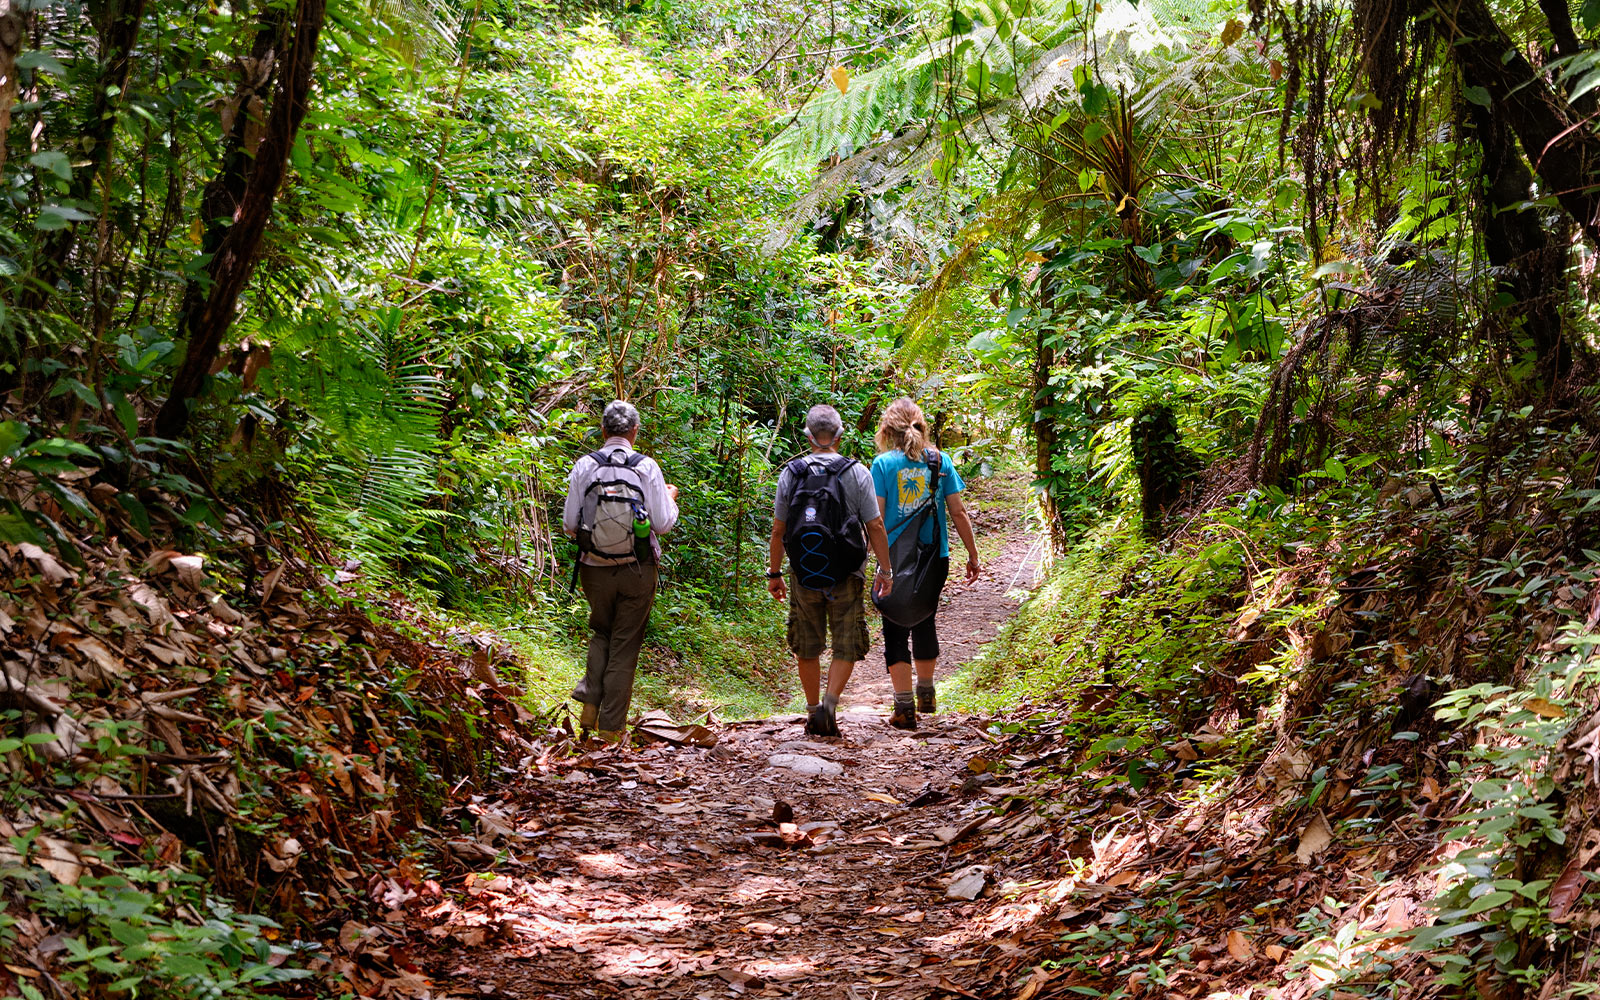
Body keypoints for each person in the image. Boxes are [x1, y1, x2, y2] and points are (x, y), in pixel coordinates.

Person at [767, 404, 893, 737]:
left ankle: (812, 711)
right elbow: (876, 526)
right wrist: (885, 570)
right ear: (839, 436)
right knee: (845, 642)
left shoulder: (791, 473)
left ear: (808, 436)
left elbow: (779, 529)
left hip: (804, 572)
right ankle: (830, 703)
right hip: (847, 573)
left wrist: (775, 573)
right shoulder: (856, 472)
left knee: (806, 644)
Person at [563, 401, 679, 742]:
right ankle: (611, 731)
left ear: (603, 431)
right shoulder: (647, 467)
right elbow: (663, 522)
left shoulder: (585, 465)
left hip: (593, 570)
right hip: (637, 570)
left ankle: (589, 711)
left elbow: (571, 524)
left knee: (601, 632)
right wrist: (670, 498)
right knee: (625, 644)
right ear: (634, 432)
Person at [871, 398, 980, 731]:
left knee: (894, 627)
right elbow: (958, 512)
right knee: (925, 618)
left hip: (894, 558)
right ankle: (927, 693)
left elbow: (875, 519)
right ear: (921, 426)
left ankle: (904, 708)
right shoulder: (940, 461)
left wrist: (876, 561)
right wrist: (973, 555)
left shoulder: (883, 465)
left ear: (887, 430)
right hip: (935, 557)